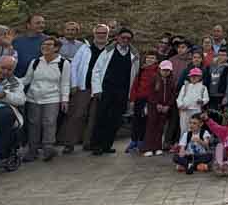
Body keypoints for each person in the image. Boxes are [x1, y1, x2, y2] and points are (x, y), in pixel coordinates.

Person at [89, 27, 139, 155]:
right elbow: (97, 70)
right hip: (106, 90)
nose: (125, 40)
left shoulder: (134, 55)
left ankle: (107, 145)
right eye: (123, 37)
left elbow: (135, 75)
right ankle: (96, 145)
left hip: (122, 92)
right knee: (101, 117)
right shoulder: (107, 51)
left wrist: (131, 94)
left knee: (115, 119)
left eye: (128, 38)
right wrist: (97, 89)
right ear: (117, 38)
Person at [20, 35, 70, 162]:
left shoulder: (63, 63)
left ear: (56, 48)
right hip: (33, 98)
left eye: (49, 45)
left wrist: (64, 99)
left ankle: (48, 149)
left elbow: (65, 83)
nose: (45, 47)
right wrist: (11, 81)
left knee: (49, 123)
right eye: (43, 45)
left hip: (52, 98)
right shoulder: (35, 62)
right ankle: (32, 150)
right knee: (33, 124)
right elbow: (27, 79)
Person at [64, 23, 109, 152]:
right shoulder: (85, 48)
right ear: (94, 34)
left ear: (108, 35)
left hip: (100, 88)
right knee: (78, 114)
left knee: (94, 117)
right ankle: (69, 143)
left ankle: (88, 142)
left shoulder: (110, 49)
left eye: (104, 33)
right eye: (98, 33)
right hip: (84, 86)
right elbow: (74, 65)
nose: (101, 35)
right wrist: (74, 84)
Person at [143, 60, 177, 156]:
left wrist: (168, 105)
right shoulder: (154, 78)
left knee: (160, 127)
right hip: (153, 107)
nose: (166, 72)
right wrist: (156, 104)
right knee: (151, 126)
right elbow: (150, 93)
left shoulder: (171, 81)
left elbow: (173, 95)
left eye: (168, 70)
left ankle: (157, 147)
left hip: (165, 108)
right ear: (160, 69)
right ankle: (148, 148)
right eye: (164, 70)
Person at [177, 66, 210, 142]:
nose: (194, 77)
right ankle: (182, 144)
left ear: (200, 77)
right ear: (189, 77)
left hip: (196, 111)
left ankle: (194, 144)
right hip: (185, 111)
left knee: (195, 128)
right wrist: (181, 105)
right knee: (183, 128)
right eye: (192, 76)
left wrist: (202, 101)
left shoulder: (203, 87)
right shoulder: (185, 87)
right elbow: (179, 98)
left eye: (196, 76)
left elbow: (206, 99)